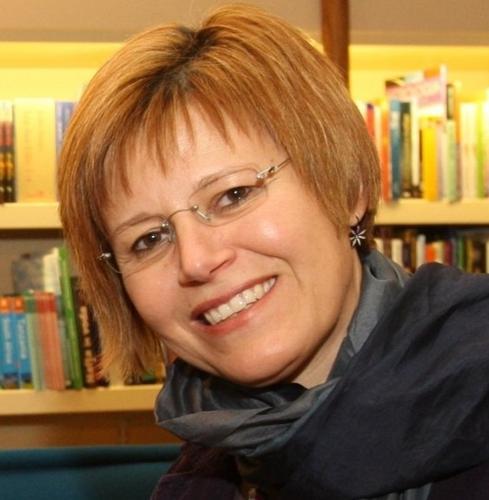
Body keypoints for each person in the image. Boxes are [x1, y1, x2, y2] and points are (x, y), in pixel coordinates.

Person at [58, 4, 489, 499]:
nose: (196, 260)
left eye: (233, 195)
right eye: (149, 239)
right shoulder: (193, 486)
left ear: (346, 187)